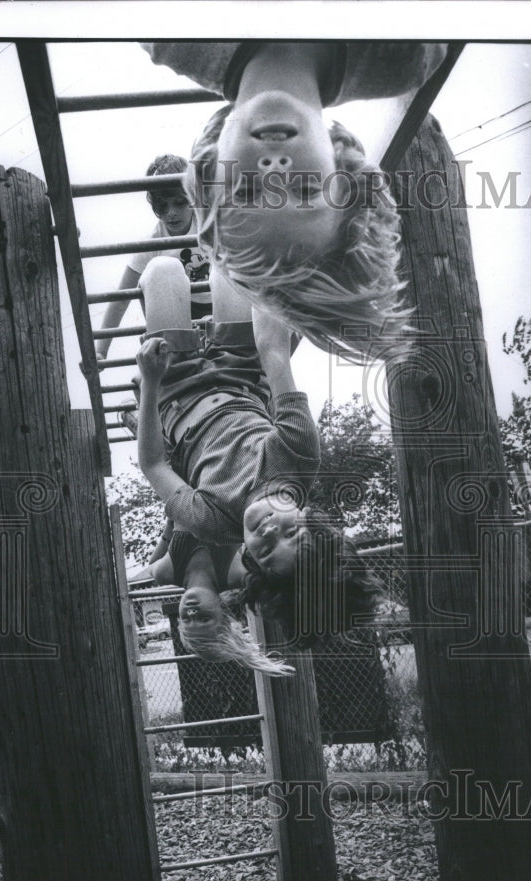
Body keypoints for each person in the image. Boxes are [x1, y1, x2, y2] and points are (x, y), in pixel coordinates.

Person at [140, 42, 450, 361]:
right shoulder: (408, 57)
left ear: (211, 169)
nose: (274, 168)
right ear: (343, 173)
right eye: (305, 189)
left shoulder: (172, 39)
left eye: (246, 190)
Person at [134, 256, 382, 642]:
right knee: (227, 266)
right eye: (291, 534)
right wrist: (268, 283)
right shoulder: (299, 454)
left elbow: (153, 464)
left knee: (163, 270)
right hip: (241, 371)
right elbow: (273, 352)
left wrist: (149, 383)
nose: (268, 531)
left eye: (265, 551)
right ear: (311, 518)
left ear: (249, 560)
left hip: (176, 386)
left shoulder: (211, 521)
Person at [94, 153, 212, 362]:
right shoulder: (153, 242)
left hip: (215, 305)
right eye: (162, 206)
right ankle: (172, 358)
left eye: (179, 203)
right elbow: (121, 297)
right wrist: (101, 350)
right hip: (179, 310)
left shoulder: (209, 225)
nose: (171, 213)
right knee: (155, 273)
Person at [141, 524, 294, 676]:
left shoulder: (166, 573)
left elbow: (152, 565)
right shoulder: (238, 574)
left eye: (186, 619)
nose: (192, 612)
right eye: (203, 618)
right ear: (222, 613)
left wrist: (170, 524)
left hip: (179, 502)